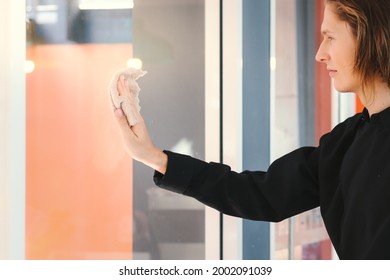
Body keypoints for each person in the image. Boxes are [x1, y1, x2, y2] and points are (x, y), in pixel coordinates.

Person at [113, 0, 390, 260]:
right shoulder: (345, 142)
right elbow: (261, 194)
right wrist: (154, 156)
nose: (320, 54)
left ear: (372, 37)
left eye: (330, 37)